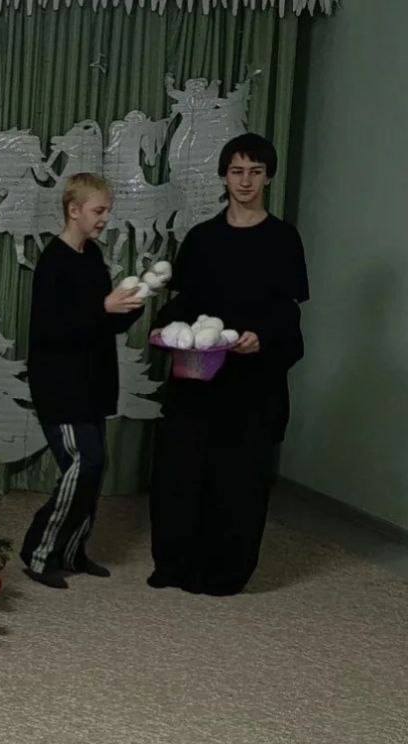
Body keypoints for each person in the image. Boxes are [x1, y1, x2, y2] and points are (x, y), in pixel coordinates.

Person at [149, 133, 309, 596]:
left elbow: (287, 314)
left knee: (239, 479)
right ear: (224, 176)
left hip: (253, 385)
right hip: (197, 378)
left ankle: (226, 572)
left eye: (255, 172)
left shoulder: (284, 240)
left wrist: (263, 338)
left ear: (268, 178)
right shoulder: (202, 238)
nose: (245, 181)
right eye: (237, 171)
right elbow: (182, 303)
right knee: (181, 472)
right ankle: (174, 564)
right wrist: (165, 331)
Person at [20, 173, 146, 589]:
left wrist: (131, 305)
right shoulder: (53, 261)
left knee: (95, 468)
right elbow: (51, 330)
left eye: (108, 210)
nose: (105, 218)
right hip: (60, 385)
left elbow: (100, 322)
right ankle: (39, 553)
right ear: (74, 210)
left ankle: (72, 551)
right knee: (83, 463)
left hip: (93, 383)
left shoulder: (93, 256)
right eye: (99, 210)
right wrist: (103, 307)